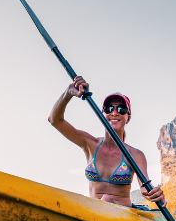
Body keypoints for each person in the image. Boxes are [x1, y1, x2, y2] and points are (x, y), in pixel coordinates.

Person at [48, 75, 167, 209]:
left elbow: (145, 188)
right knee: (103, 200)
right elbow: (54, 120)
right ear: (103, 113)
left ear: (128, 117)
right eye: (109, 108)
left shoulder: (135, 155)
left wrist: (154, 193)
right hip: (95, 214)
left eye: (121, 109)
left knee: (108, 198)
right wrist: (68, 93)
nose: (115, 113)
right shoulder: (89, 143)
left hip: (124, 216)